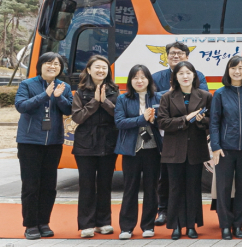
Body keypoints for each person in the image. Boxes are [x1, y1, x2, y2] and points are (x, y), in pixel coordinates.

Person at [15, 52, 73, 240]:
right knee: (31, 185)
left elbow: (69, 110)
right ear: (40, 66)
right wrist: (45, 94)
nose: (52, 66)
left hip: (54, 142)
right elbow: (21, 106)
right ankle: (31, 225)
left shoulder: (64, 87)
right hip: (29, 142)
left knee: (49, 186)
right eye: (48, 63)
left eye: (56, 64)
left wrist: (58, 97)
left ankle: (44, 222)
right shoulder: (27, 84)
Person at [151, 41, 208, 228]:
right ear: (166, 57)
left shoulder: (199, 77)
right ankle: (163, 210)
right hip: (165, 137)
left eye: (180, 53)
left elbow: (204, 105)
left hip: (193, 141)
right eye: (172, 53)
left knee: (191, 186)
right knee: (165, 178)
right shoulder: (157, 77)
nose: (176, 56)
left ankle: (191, 223)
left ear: (187, 56)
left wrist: (196, 119)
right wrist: (168, 94)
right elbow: (153, 99)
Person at [158, 61, 213, 240]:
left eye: (188, 72)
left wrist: (200, 121)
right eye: (181, 73)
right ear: (175, 77)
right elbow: (163, 122)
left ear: (194, 76)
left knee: (193, 189)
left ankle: (191, 225)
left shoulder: (205, 96)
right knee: (175, 189)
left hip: (196, 150)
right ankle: (175, 226)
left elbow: (213, 121)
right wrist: (185, 119)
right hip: (174, 151)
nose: (185, 76)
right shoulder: (167, 97)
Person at [210, 56, 242, 240]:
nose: (237, 71)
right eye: (233, 68)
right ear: (228, 70)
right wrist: (215, 146)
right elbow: (214, 122)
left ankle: (238, 224)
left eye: (240, 68)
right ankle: (225, 225)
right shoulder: (220, 94)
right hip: (225, 150)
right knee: (223, 189)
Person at [71, 55, 120, 238]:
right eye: (97, 67)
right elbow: (77, 117)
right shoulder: (81, 92)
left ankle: (104, 222)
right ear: (89, 70)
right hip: (85, 143)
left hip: (109, 142)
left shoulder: (114, 91)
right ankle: (86, 224)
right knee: (86, 184)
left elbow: (119, 115)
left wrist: (105, 101)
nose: (101, 70)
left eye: (104, 68)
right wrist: (95, 102)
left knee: (105, 184)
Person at [116, 64, 163, 240]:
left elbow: (164, 121)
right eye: (135, 77)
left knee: (151, 188)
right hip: (131, 150)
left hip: (152, 150)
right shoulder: (123, 99)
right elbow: (119, 122)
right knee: (130, 188)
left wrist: (154, 119)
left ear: (149, 80)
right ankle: (126, 227)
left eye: (143, 77)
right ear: (130, 81)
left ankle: (148, 225)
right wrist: (141, 119)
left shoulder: (158, 97)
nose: (140, 80)